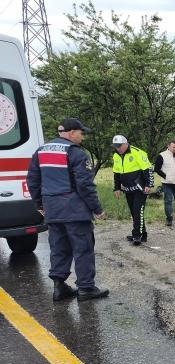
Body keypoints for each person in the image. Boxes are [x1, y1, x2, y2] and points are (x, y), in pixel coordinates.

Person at [26, 118, 109, 302]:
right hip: (74, 210)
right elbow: (85, 185)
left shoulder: (41, 151)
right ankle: (86, 288)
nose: (82, 137)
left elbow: (32, 180)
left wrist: (40, 205)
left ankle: (59, 287)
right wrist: (97, 209)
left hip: (53, 210)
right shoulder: (76, 153)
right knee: (83, 249)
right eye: (81, 133)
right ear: (72, 133)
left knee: (58, 248)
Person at [111, 135, 154, 246]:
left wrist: (149, 184)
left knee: (137, 210)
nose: (118, 148)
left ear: (126, 143)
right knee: (134, 212)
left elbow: (147, 169)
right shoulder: (116, 155)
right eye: (116, 146)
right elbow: (116, 173)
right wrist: (117, 188)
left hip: (140, 187)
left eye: (120, 146)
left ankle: (137, 235)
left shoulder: (137, 152)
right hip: (128, 188)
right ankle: (143, 234)